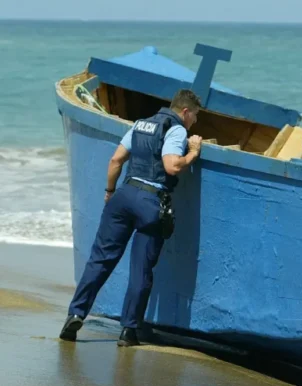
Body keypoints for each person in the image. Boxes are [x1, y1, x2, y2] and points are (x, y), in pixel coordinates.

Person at [59, 89, 204, 346]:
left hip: (124, 196)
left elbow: (116, 160)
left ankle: (75, 314)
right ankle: (128, 332)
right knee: (141, 271)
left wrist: (110, 192)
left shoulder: (140, 125)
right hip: (151, 202)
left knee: (100, 260)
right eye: (194, 116)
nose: (194, 122)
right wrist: (193, 152)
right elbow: (171, 166)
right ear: (184, 111)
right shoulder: (177, 129)